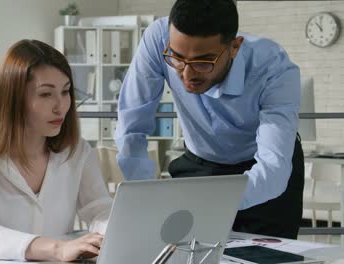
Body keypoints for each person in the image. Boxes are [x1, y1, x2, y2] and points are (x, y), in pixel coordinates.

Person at [115, 0, 304, 239]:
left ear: (235, 47)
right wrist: (146, 193)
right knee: (181, 253)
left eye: (204, 62)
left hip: (260, 168)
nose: (186, 74)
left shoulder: (274, 68)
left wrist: (214, 200)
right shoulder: (158, 38)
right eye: (177, 58)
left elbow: (273, 168)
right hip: (200, 163)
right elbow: (132, 124)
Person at [0, 39, 112, 261]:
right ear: (13, 99)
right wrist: (58, 249)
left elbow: (99, 207)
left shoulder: (77, 151)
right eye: (46, 94)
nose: (61, 106)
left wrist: (111, 235)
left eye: (66, 91)